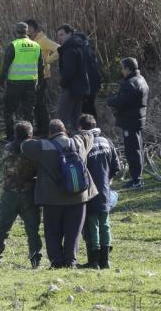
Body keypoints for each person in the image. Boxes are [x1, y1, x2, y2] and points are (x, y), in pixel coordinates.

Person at [21, 119, 98, 269]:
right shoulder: (78, 143)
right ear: (65, 131)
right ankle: (71, 262)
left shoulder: (42, 146)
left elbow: (24, 146)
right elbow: (88, 134)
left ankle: (56, 262)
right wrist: (76, 133)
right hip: (78, 197)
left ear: (50, 133)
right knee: (73, 233)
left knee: (52, 232)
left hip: (52, 199)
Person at [0, 121, 42, 269]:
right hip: (28, 194)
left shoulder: (7, 148)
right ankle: (35, 260)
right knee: (32, 230)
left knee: (2, 229)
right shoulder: (33, 149)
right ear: (30, 135)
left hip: (8, 194)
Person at [78, 114, 120, 269]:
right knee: (105, 224)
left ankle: (94, 261)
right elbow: (116, 167)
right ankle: (106, 261)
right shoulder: (106, 141)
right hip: (104, 191)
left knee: (92, 226)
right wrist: (106, 183)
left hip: (89, 192)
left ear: (81, 128)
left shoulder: (83, 144)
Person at [107, 57, 149, 189]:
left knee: (132, 150)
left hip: (130, 122)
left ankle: (136, 179)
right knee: (137, 148)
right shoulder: (141, 79)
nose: (122, 71)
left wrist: (110, 101)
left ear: (128, 69)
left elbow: (122, 102)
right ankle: (136, 177)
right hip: (137, 120)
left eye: (123, 68)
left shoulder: (130, 83)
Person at [0, 22, 44, 141]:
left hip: (15, 83)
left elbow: (5, 66)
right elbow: (41, 66)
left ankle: (10, 137)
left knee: (9, 111)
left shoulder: (13, 45)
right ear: (27, 31)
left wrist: (0, 81)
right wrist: (41, 83)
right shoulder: (36, 45)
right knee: (28, 111)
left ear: (16, 31)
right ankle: (29, 137)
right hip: (31, 83)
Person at [26, 20, 60, 137]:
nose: (27, 30)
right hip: (33, 76)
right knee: (37, 104)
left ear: (35, 28)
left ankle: (45, 129)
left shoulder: (43, 40)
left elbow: (59, 49)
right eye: (26, 28)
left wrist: (47, 61)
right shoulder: (30, 41)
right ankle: (41, 128)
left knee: (41, 104)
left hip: (43, 76)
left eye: (29, 27)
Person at [55, 24, 90, 133]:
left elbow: (69, 71)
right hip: (81, 87)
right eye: (58, 36)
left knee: (61, 118)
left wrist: (63, 83)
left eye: (62, 34)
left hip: (70, 87)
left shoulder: (69, 49)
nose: (59, 38)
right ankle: (78, 140)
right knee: (75, 117)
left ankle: (58, 142)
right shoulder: (81, 46)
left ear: (70, 34)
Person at [77, 33, 102, 117]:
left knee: (87, 110)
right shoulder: (89, 50)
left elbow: (85, 71)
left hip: (88, 86)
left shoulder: (82, 52)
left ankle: (89, 127)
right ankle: (93, 126)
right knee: (90, 108)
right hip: (93, 85)